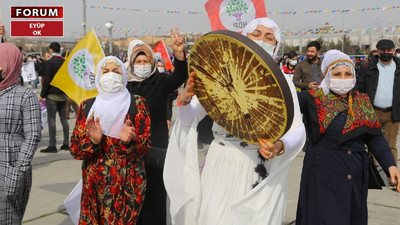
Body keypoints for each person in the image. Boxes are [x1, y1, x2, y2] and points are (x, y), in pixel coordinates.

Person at [164, 18, 306, 225]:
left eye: (269, 37)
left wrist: (279, 146)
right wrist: (184, 101)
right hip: (221, 161)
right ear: (244, 38)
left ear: (276, 46)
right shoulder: (220, 75)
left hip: (259, 165)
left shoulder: (283, 84)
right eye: (256, 35)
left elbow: (297, 129)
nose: (261, 40)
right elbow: (190, 118)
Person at [296, 50, 400, 225]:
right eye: (337, 74)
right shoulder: (312, 99)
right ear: (327, 75)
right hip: (323, 174)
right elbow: (281, 104)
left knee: (351, 217)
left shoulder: (362, 101)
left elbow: (375, 137)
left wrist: (390, 164)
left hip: (355, 174)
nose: (343, 78)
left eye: (348, 73)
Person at [69, 56, 151, 224]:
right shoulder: (87, 106)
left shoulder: (137, 103)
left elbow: (146, 146)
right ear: (98, 77)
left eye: (116, 71)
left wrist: (129, 141)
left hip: (128, 183)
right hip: (94, 184)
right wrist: (94, 142)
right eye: (105, 72)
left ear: (124, 76)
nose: (110, 75)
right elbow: (75, 150)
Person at [125, 29, 188, 225]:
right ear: (131, 63)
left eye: (146, 62)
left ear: (152, 63)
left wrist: (179, 56)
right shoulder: (125, 86)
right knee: (132, 202)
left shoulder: (160, 81)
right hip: (130, 153)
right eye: (138, 62)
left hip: (156, 150)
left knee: (155, 201)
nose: (142, 65)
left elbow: (178, 77)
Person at [0, 43, 41, 224]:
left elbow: (32, 136)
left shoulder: (25, 96)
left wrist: (16, 174)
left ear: (10, 64)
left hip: (10, 164)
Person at [354, 39, 400, 188]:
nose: (386, 53)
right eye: (383, 50)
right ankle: (371, 174)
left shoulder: (398, 67)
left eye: (389, 50)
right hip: (371, 111)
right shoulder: (368, 67)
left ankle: (391, 176)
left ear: (393, 50)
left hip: (393, 112)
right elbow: (358, 87)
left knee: (390, 144)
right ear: (378, 51)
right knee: (371, 142)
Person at [40, 42, 69, 153]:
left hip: (52, 95)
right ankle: (66, 143)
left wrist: (43, 94)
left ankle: (52, 145)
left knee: (51, 120)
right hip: (63, 95)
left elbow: (47, 80)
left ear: (51, 50)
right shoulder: (65, 62)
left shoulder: (50, 62)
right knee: (64, 120)